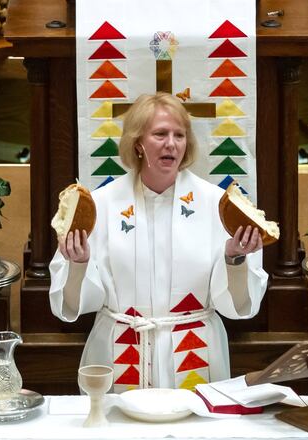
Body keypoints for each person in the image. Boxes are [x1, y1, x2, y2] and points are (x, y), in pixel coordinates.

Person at [49, 92, 268, 391]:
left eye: (179, 135)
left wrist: (235, 259)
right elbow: (73, 305)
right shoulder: (102, 204)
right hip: (122, 348)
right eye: (160, 134)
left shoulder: (217, 204)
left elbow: (238, 306)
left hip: (194, 350)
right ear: (138, 142)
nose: (172, 143)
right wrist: (78, 264)